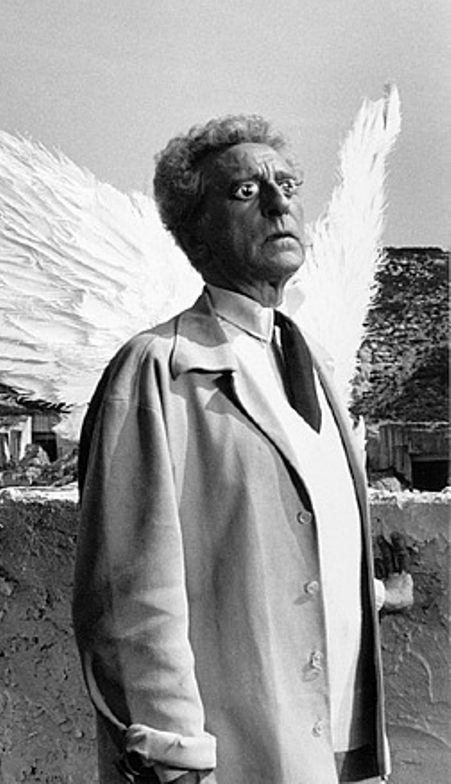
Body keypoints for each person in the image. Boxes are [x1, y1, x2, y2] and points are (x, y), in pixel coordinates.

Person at [72, 115, 410, 784]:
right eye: (247, 191)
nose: (281, 202)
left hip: (337, 751)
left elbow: (277, 552)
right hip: (230, 761)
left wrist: (375, 590)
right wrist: (176, 761)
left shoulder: (307, 368)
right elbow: (128, 595)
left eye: (286, 183)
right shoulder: (158, 370)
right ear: (195, 231)